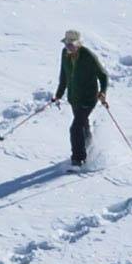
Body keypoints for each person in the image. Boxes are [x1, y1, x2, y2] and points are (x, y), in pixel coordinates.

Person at [52, 30, 109, 168]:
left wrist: (103, 92)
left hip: (88, 98)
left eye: (71, 44)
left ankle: (78, 160)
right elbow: (64, 77)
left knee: (75, 128)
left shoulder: (88, 56)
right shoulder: (64, 54)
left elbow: (103, 75)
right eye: (66, 44)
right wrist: (58, 95)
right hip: (74, 98)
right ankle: (90, 148)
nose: (68, 47)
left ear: (78, 44)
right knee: (83, 126)